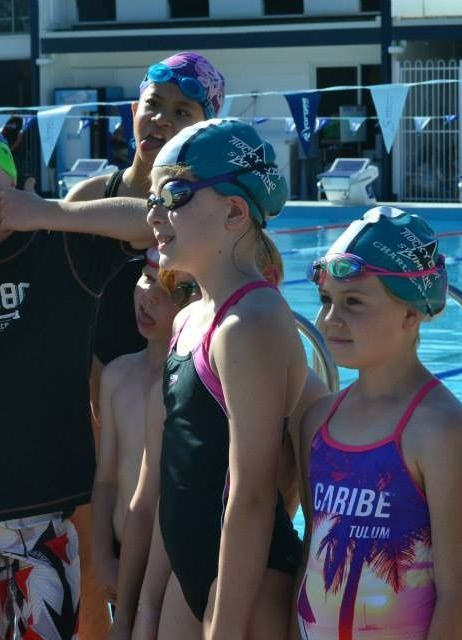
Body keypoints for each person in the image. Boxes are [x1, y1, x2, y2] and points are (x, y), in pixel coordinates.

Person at [0, 117, 153, 639]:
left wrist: (48, 211)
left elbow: (155, 221)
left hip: (53, 512)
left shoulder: (65, 246)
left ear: (10, 171)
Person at [64, 51, 225, 637]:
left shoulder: (206, 216)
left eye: (182, 113)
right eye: (154, 107)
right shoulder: (87, 197)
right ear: (134, 110)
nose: (161, 121)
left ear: (204, 128)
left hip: (169, 432)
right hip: (95, 427)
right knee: (93, 599)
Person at [120, 233, 330, 640]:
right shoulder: (188, 338)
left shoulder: (305, 393)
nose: (183, 298)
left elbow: (317, 519)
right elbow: (172, 491)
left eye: (186, 288)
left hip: (255, 577)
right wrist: (142, 609)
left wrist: (302, 620)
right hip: (189, 575)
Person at [145, 118, 307, 639]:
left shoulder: (250, 322)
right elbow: (176, 476)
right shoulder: (191, 317)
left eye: (173, 195)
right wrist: (143, 606)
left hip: (247, 586)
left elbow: (255, 493)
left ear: (235, 211)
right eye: (153, 196)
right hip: (193, 576)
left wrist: (228, 624)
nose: (153, 214)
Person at [295, 206, 462, 639]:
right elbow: (313, 558)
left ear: (412, 314)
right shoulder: (317, 421)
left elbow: (458, 592)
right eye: (327, 301)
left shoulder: (438, 428)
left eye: (353, 302)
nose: (329, 319)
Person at [91, 248, 193, 611]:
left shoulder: (204, 384)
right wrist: (102, 557)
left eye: (166, 287)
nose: (148, 295)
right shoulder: (117, 376)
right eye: (147, 278)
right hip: (125, 564)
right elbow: (105, 481)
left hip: (183, 570)